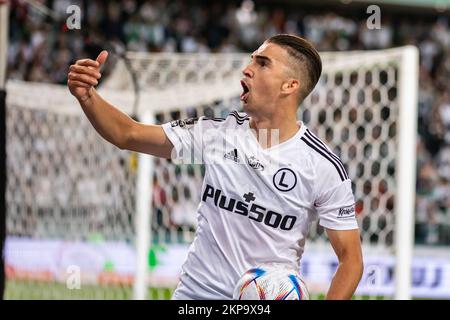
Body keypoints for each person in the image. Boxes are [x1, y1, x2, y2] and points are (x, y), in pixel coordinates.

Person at [68, 34, 363, 300]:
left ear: (290, 85)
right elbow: (127, 134)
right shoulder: (216, 133)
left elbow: (351, 260)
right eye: (251, 61)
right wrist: (87, 96)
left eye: (262, 64)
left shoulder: (323, 166)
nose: (247, 69)